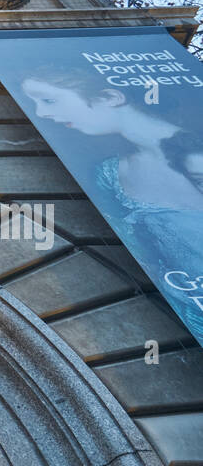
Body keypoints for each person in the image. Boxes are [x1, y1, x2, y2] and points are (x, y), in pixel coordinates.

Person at [20, 67, 203, 345]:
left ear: (110, 97)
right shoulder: (109, 173)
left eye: (48, 100)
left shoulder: (195, 151)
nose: (42, 113)